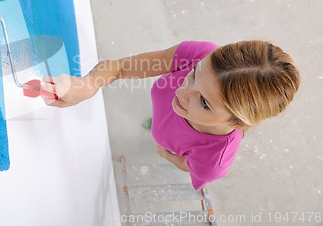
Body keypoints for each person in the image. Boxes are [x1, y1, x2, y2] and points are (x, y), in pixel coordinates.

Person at [40, 40, 300, 189]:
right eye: (193, 74)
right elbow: (120, 67)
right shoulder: (200, 53)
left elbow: (188, 166)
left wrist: (167, 154)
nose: (181, 93)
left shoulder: (213, 161)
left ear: (236, 123)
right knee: (164, 122)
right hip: (167, 128)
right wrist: (87, 85)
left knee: (162, 133)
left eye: (205, 103)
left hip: (173, 143)